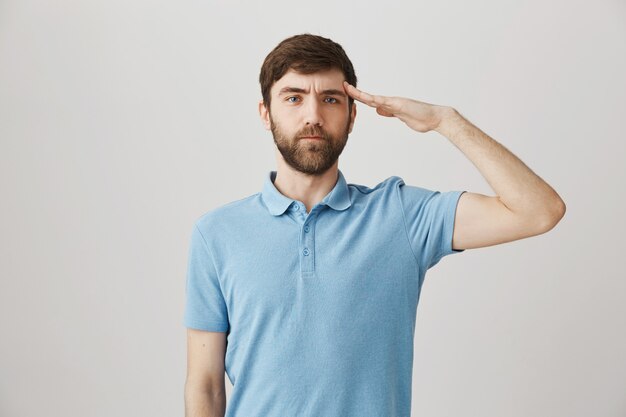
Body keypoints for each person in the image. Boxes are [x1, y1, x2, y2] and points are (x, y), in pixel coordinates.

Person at [183, 33, 566, 417]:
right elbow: (206, 385)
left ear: (352, 115)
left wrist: (445, 121)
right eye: (294, 97)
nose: (313, 115)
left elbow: (539, 211)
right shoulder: (216, 234)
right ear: (266, 113)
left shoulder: (400, 215)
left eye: (330, 99)